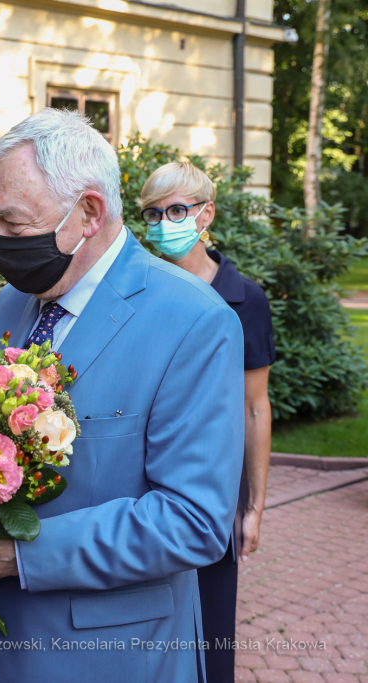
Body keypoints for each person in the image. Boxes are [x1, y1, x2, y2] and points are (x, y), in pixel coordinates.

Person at [0, 108, 245, 683]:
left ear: (88, 212)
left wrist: (14, 556)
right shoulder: (12, 303)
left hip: (109, 656)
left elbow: (194, 521)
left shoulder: (194, 320)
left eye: (12, 224)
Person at [141, 161, 275, 683]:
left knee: (210, 629)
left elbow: (254, 407)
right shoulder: (142, 291)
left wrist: (254, 508)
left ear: (206, 214)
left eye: (176, 209)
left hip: (213, 492)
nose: (163, 222)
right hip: (145, 483)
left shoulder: (245, 300)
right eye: (153, 213)